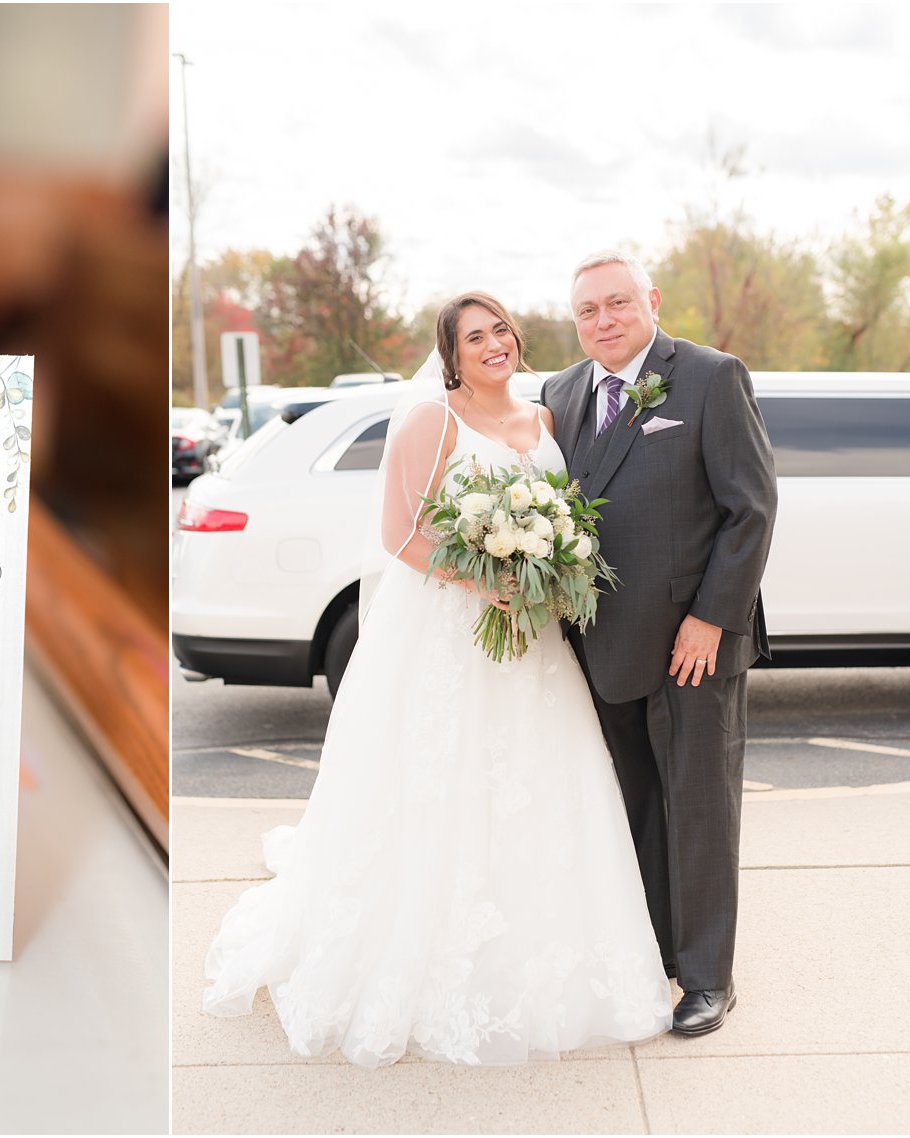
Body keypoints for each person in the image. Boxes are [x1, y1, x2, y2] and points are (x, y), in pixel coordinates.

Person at [202, 292, 673, 1068]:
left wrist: (547, 569)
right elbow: (402, 535)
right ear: (451, 356)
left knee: (537, 786)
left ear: (518, 340)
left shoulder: (546, 421)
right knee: (440, 786)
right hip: (452, 636)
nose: (493, 345)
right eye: (474, 337)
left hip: (534, 645)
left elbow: (570, 519)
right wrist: (484, 579)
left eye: (501, 331)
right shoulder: (432, 420)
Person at [542, 252, 777, 1036]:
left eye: (617, 303)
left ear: (651, 301)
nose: (603, 320)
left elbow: (751, 508)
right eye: (587, 311)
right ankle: (655, 954)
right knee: (633, 807)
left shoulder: (710, 377)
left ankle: (709, 977)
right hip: (600, 642)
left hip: (692, 642)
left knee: (700, 807)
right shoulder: (561, 393)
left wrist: (712, 617)